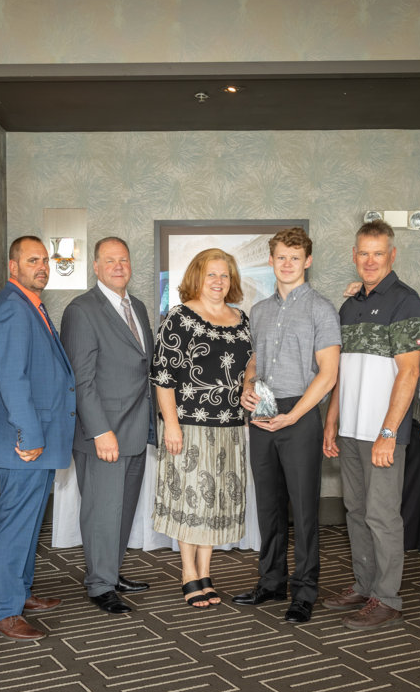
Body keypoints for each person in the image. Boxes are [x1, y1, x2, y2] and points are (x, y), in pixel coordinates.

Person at [321, 220, 420, 630]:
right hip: (350, 429)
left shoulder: (406, 302)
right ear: (354, 255)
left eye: (378, 253)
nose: (370, 261)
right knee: (356, 511)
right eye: (363, 253)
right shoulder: (350, 305)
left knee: (382, 517)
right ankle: (364, 586)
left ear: (392, 255)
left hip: (383, 433)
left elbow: (409, 373)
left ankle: (387, 598)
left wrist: (388, 433)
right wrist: (332, 421)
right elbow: (342, 371)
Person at [236, 227, 340, 624]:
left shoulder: (321, 309)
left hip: (300, 412)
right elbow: (254, 361)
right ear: (271, 260)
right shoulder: (260, 310)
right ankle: (271, 582)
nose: (287, 264)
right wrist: (247, 386)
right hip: (263, 411)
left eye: (295, 258)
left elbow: (328, 373)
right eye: (281, 257)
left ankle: (305, 591)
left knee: (305, 508)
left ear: (307, 261)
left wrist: (295, 415)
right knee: (269, 504)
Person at [0, 236, 76, 640]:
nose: (43, 267)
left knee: (29, 524)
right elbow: (11, 379)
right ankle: (4, 610)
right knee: (15, 527)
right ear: (13, 267)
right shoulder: (11, 309)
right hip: (24, 442)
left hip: (39, 439)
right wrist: (30, 435)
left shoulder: (31, 305)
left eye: (46, 260)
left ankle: (19, 592)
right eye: (33, 260)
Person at [151, 248, 252, 608]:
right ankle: (188, 572)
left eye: (225, 275)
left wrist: (250, 384)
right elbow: (163, 377)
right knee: (190, 499)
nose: (218, 281)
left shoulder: (241, 319)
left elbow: (250, 365)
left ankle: (206, 572)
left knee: (214, 500)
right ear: (197, 276)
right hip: (188, 426)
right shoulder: (179, 318)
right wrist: (171, 426)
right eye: (211, 274)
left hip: (230, 427)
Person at [60, 236, 154, 615]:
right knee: (102, 512)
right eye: (110, 260)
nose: (118, 266)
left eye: (124, 260)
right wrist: (100, 431)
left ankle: (111, 571)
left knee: (122, 510)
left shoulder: (138, 307)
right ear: (95, 267)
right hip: (104, 434)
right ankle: (100, 584)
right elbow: (80, 380)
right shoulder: (81, 311)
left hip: (136, 428)